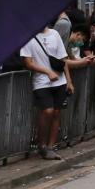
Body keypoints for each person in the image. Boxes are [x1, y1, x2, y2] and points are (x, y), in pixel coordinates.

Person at [21, 23, 73, 160]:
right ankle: (41, 144)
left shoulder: (54, 34)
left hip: (60, 81)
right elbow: (28, 62)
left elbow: (63, 59)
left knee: (56, 112)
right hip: (41, 82)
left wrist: (69, 81)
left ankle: (50, 146)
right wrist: (47, 72)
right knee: (47, 111)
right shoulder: (28, 38)